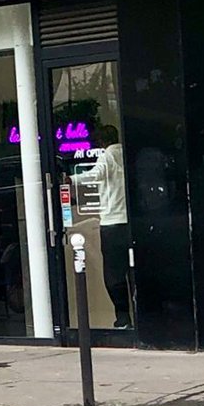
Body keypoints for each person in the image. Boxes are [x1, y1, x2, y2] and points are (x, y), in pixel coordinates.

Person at [78, 125, 131, 328]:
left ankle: (123, 316)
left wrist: (70, 179)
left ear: (101, 142)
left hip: (111, 223)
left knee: (113, 274)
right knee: (131, 269)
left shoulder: (107, 157)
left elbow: (94, 175)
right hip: (129, 222)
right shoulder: (126, 155)